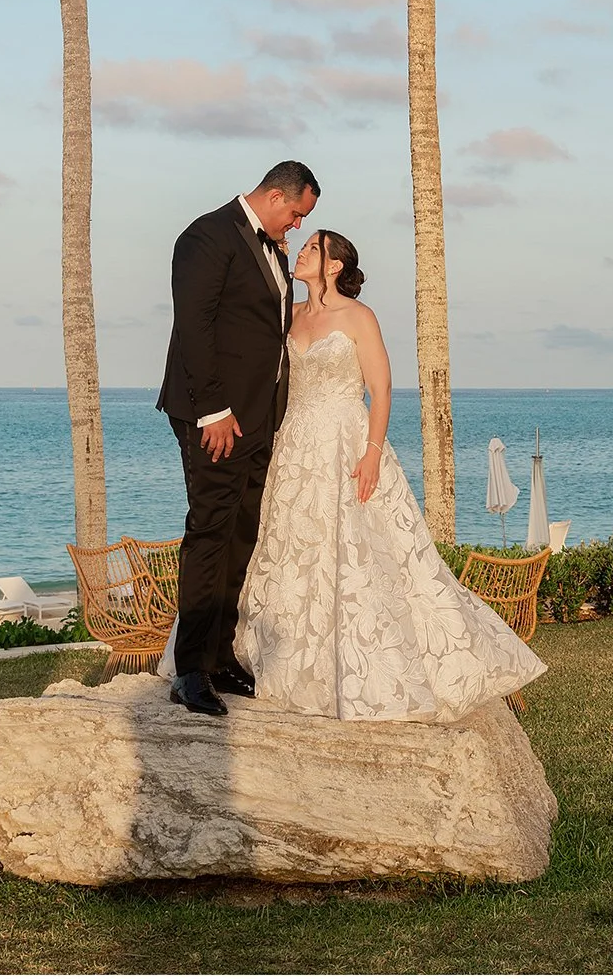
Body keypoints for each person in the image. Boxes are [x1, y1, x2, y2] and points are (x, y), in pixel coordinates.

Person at [233, 229, 546, 721]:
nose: (303, 253)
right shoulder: (290, 315)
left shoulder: (359, 317)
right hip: (295, 443)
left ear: (334, 265)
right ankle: (293, 667)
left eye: (313, 248)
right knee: (296, 548)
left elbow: (381, 390)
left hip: (347, 441)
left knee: (364, 556)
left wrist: (372, 453)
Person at [157, 160, 319, 716]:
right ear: (276, 197)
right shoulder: (205, 236)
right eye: (297, 214)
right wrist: (213, 411)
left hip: (258, 419)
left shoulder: (271, 250)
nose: (296, 226)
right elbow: (195, 326)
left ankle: (221, 655)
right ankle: (189, 672)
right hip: (216, 419)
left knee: (240, 536)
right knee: (208, 534)